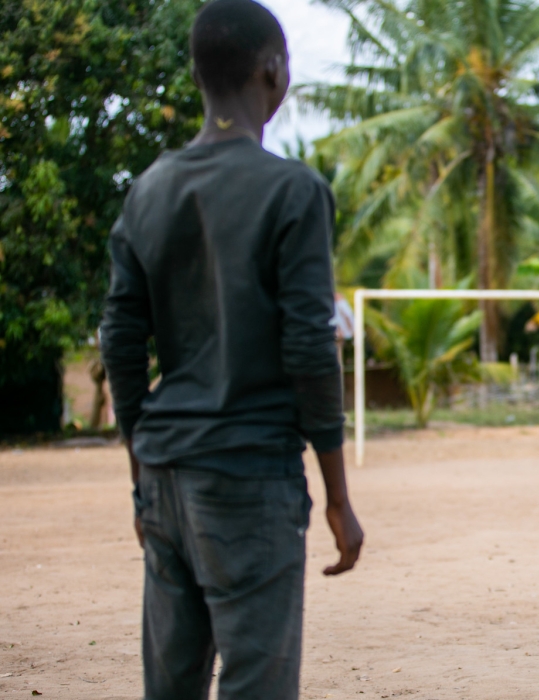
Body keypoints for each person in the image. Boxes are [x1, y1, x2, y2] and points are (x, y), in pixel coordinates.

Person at [99, 1, 364, 698]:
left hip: (164, 475)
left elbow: (119, 341)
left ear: (197, 75)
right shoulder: (293, 190)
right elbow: (311, 346)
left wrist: (141, 472)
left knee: (172, 684)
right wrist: (337, 496)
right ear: (274, 73)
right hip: (248, 476)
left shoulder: (146, 191)